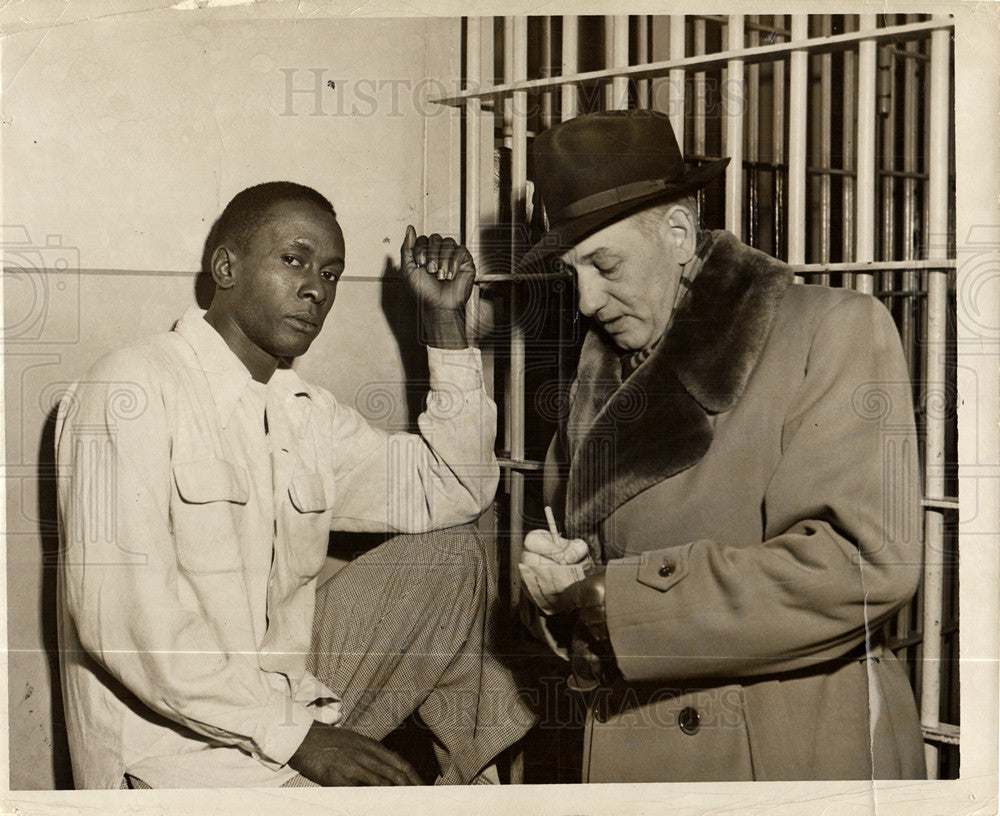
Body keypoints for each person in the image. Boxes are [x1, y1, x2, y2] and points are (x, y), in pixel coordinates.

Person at [55, 181, 534, 789]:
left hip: (281, 706)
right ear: (226, 267)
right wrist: (298, 738)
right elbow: (123, 623)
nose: (317, 288)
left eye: (332, 273)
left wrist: (444, 324)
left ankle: (468, 786)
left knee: (450, 554)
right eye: (294, 259)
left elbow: (454, 488)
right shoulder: (131, 389)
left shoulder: (302, 411)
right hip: (170, 757)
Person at [516, 110, 926, 781]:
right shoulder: (596, 379)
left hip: (785, 750)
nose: (586, 301)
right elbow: (604, 562)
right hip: (637, 748)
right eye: (571, 274)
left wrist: (619, 602)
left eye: (604, 263)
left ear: (679, 233)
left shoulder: (832, 330)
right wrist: (562, 592)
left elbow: (862, 564)